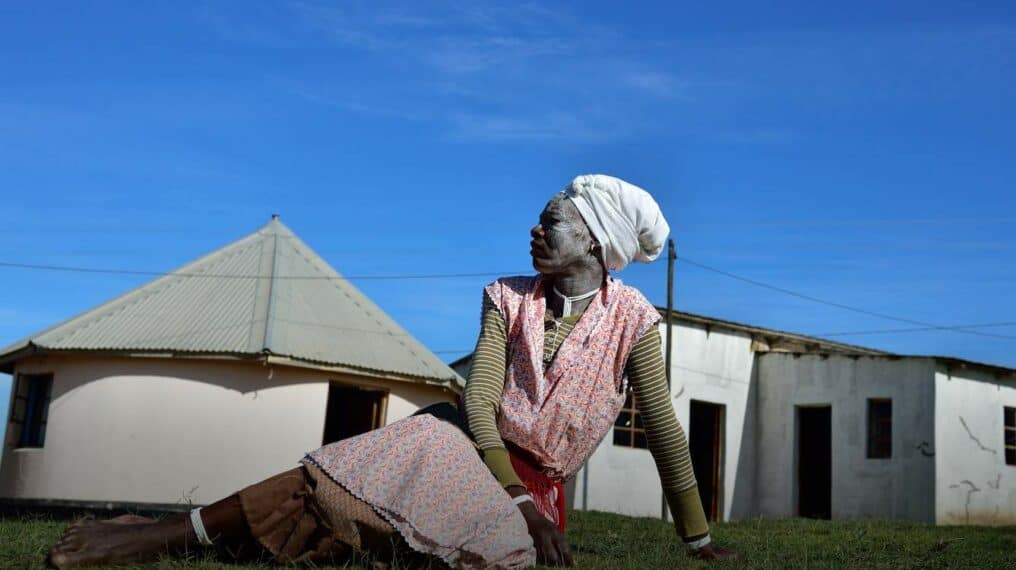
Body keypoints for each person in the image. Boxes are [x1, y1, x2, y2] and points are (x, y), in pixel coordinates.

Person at [48, 174, 737, 568]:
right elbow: (479, 405)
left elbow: (666, 432)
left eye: (550, 223)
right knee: (329, 481)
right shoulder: (507, 297)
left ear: (594, 241)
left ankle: (170, 533)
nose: (534, 231)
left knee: (402, 543)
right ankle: (153, 537)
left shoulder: (633, 320)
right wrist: (520, 506)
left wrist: (699, 540)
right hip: (463, 448)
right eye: (537, 221)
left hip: (534, 489)